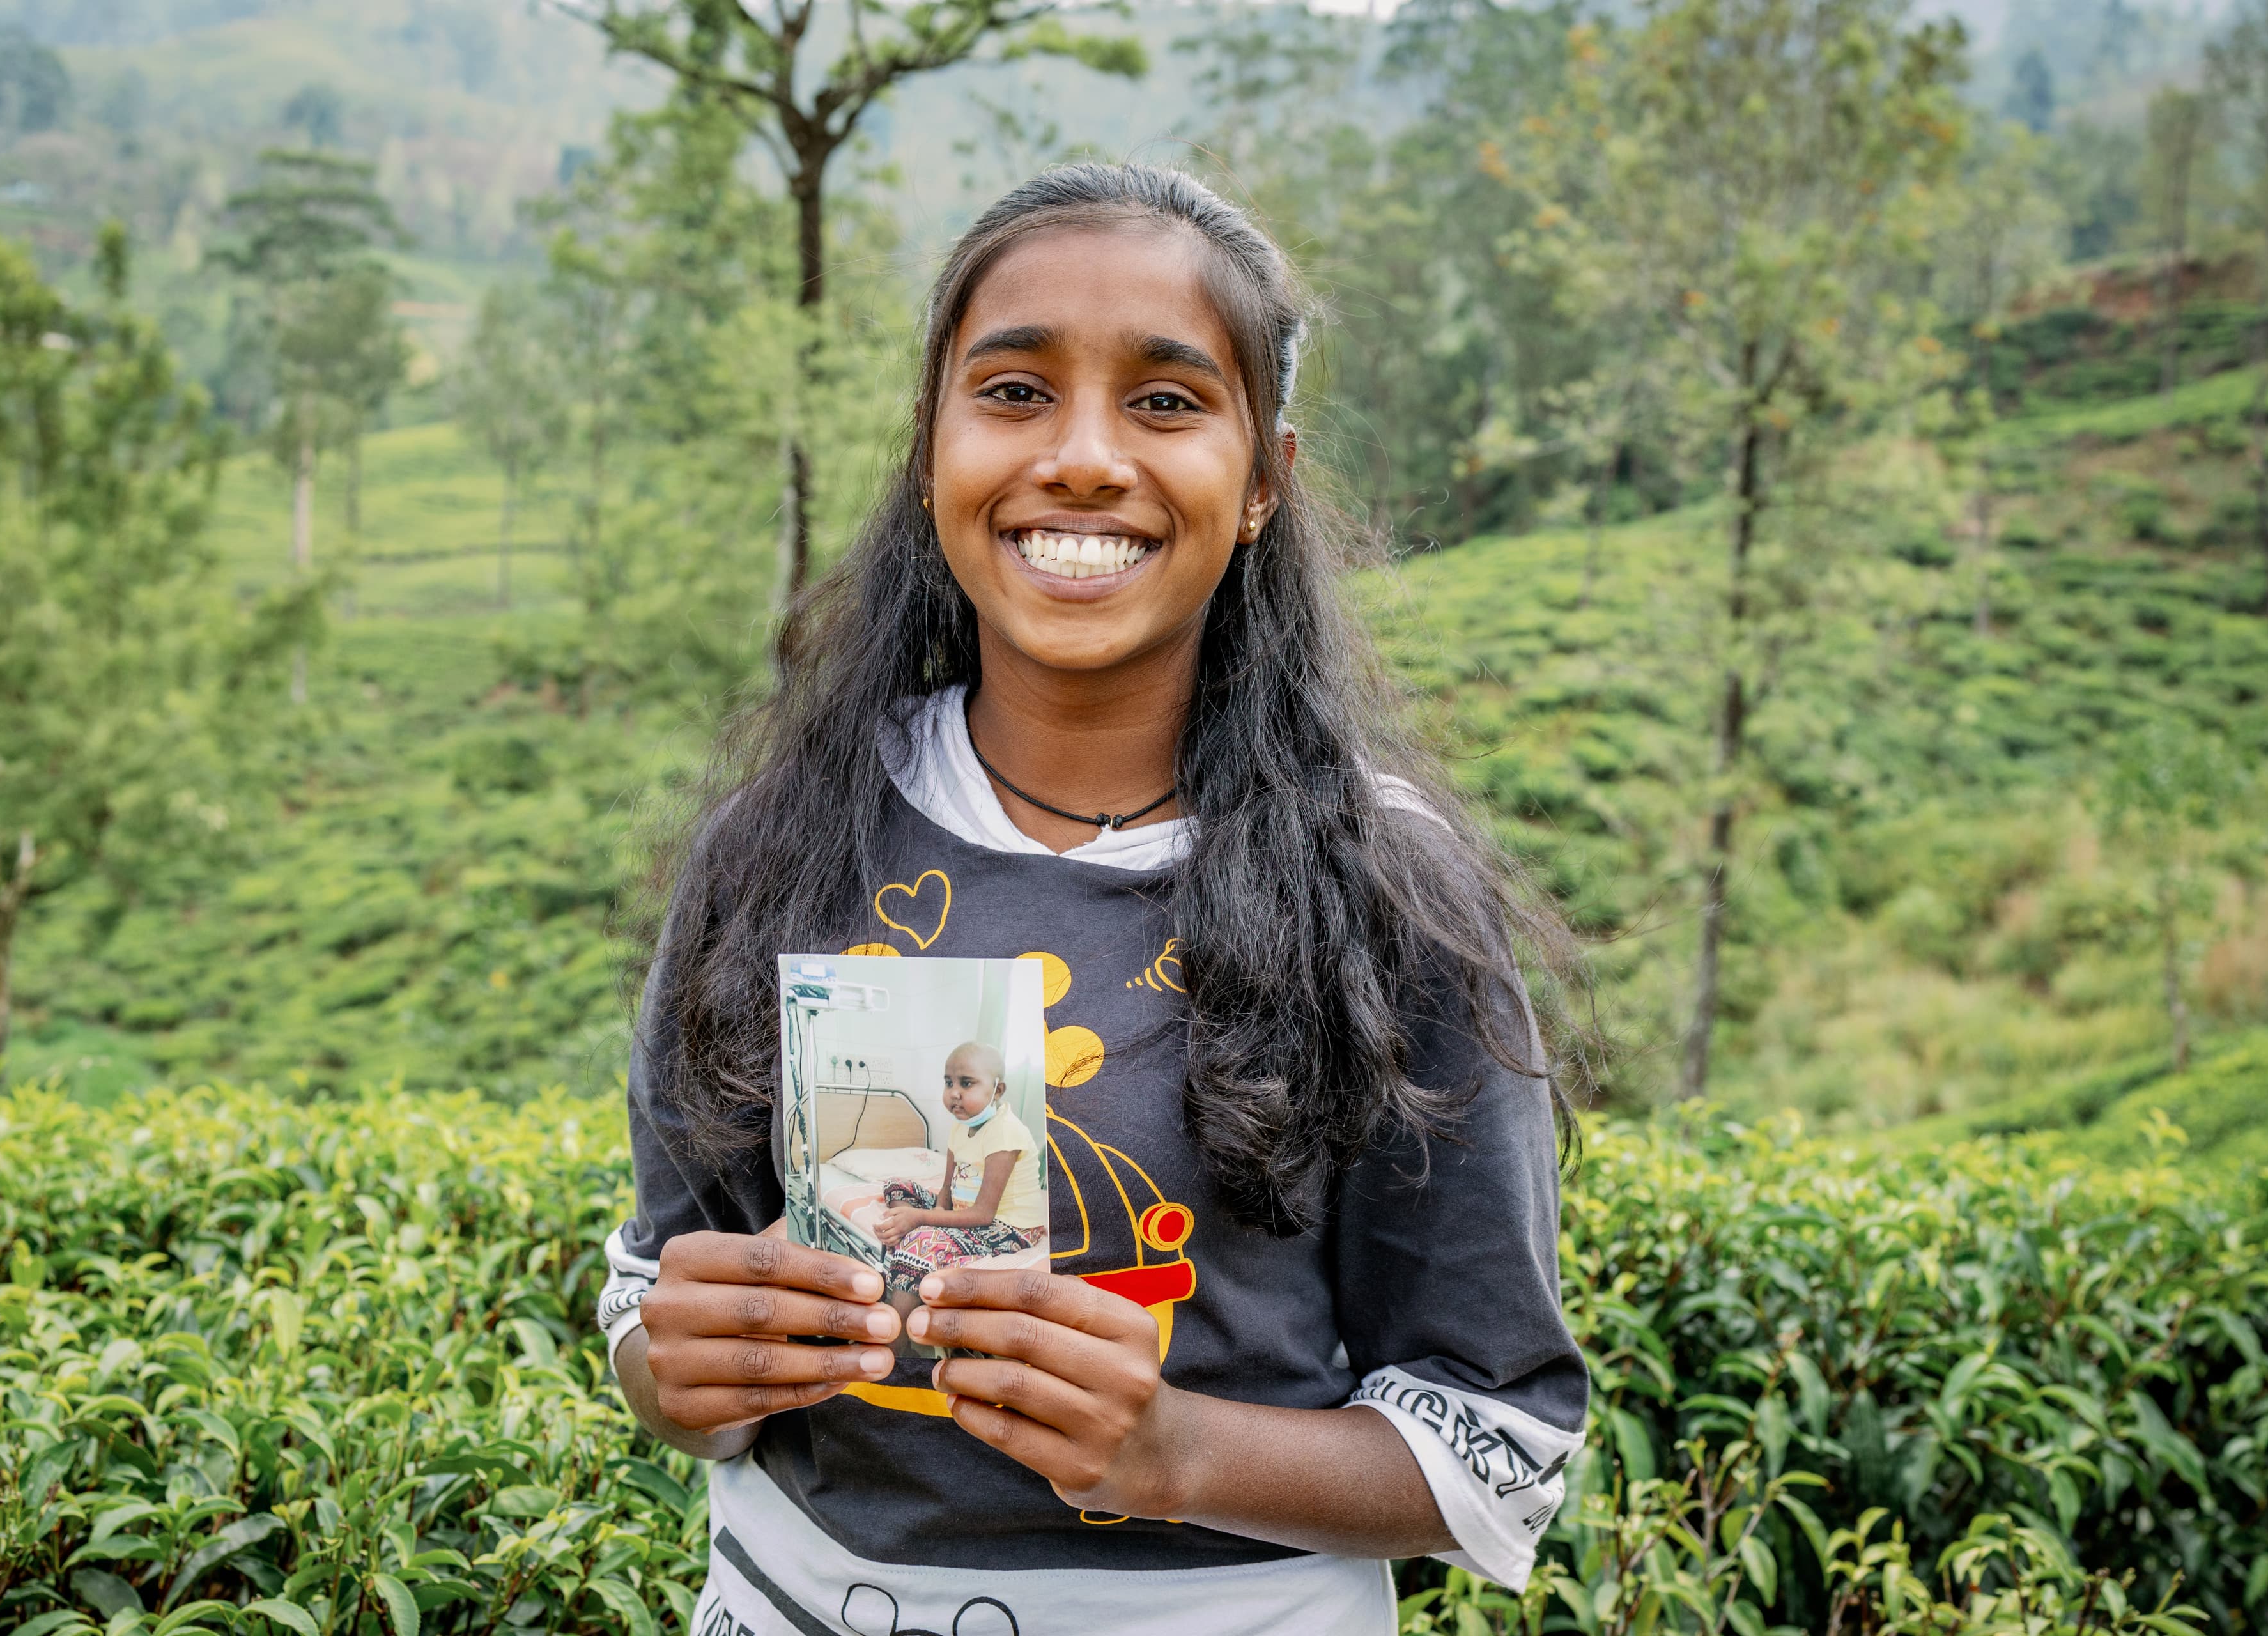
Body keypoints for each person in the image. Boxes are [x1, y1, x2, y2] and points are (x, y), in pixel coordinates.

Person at [595, 163, 1590, 1635]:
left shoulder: (1385, 894)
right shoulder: (776, 846)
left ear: (1263, 481)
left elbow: (1495, 1447)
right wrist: (673, 1368)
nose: (1079, 456)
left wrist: (1171, 1448)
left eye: (1166, 402)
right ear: (932, 448)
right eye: (1010, 390)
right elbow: (649, 1286)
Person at [872, 1042, 1044, 1303]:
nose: (954, 1093)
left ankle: (897, 1343)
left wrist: (920, 1220)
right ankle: (913, 1236)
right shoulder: (959, 1127)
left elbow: (984, 1214)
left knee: (922, 1240)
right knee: (896, 1186)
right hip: (966, 1212)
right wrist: (938, 1213)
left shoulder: (1006, 1131)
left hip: (1009, 1227)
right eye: (948, 1083)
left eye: (966, 1083)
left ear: (997, 1090)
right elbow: (947, 1189)